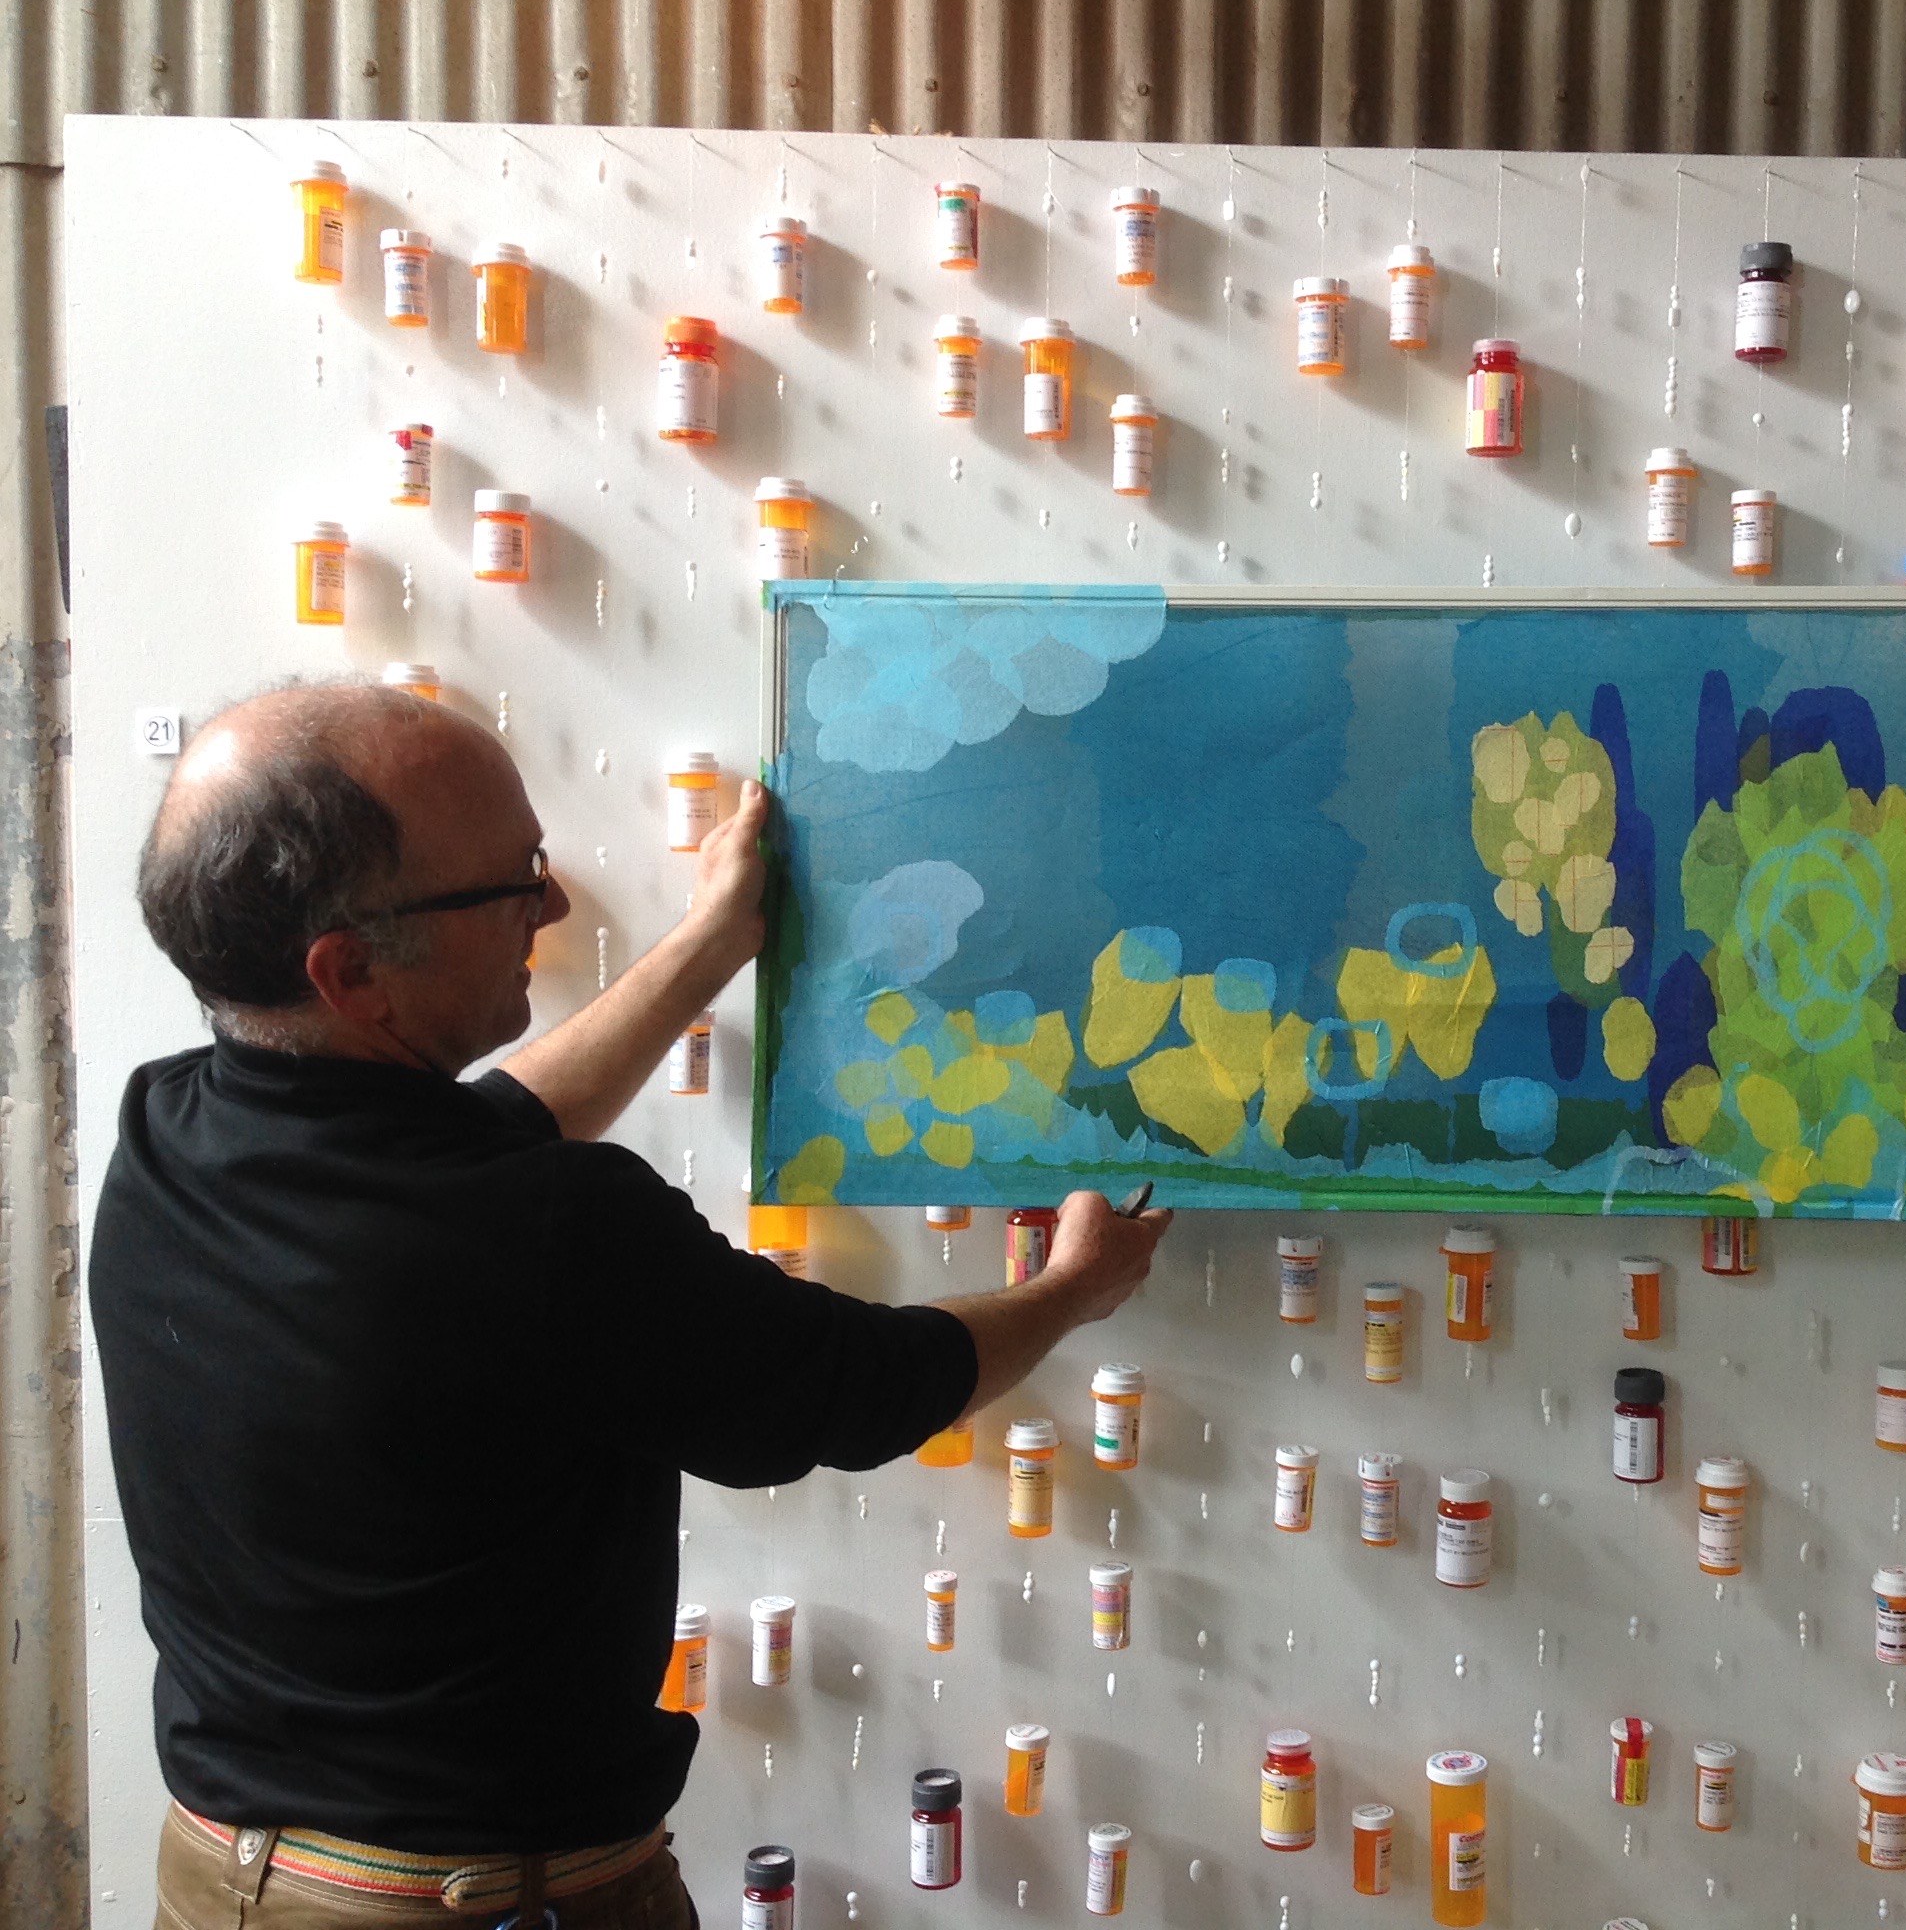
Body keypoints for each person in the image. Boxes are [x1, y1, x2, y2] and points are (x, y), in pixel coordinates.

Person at [91, 683, 1171, 1929]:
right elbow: (863, 1387)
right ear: (352, 974)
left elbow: (492, 1128)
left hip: (222, 1875)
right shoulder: (548, 1234)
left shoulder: (170, 1135)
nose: (552, 906)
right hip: (466, 1904)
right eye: (514, 882)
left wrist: (712, 943)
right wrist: (1073, 1288)